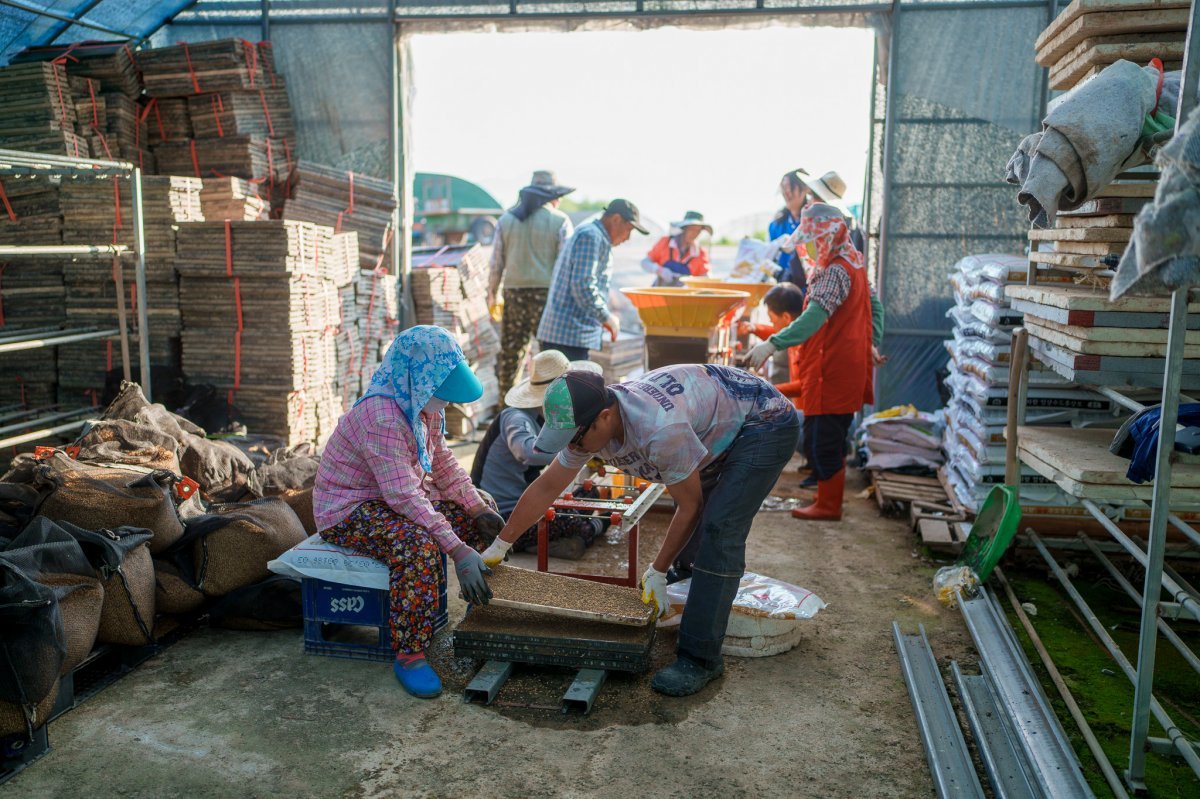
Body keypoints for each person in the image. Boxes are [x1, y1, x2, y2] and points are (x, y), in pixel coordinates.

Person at [480, 365, 800, 697]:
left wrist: (657, 570)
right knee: (697, 516)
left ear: (605, 417)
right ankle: (691, 583)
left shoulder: (660, 431)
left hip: (764, 422)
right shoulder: (591, 425)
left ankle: (700, 658)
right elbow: (547, 486)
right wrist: (501, 544)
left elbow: (690, 508)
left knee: (719, 528)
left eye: (575, 436)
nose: (573, 446)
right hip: (714, 425)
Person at [313, 326, 503, 699]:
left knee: (473, 517)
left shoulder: (421, 407)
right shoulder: (381, 416)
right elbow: (405, 497)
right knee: (419, 544)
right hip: (350, 507)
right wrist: (457, 549)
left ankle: (486, 616)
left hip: (390, 498)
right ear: (418, 376)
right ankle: (410, 653)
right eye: (442, 392)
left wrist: (477, 507)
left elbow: (443, 463)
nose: (445, 403)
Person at [744, 204, 881, 522]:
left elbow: (814, 318)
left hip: (833, 367)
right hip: (838, 364)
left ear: (828, 237)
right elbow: (874, 306)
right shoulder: (853, 262)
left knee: (826, 441)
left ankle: (829, 506)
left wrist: (772, 343)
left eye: (811, 241)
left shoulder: (835, 271)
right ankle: (825, 499)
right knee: (825, 436)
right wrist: (872, 342)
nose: (807, 247)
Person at [470, 351, 606, 560]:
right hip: (502, 515)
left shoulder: (540, 417)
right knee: (575, 522)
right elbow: (526, 452)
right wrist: (576, 451)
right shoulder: (515, 416)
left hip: (524, 500)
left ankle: (556, 540)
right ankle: (592, 528)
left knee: (591, 494)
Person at [489, 170, 576, 399]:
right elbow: (566, 266)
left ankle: (506, 408)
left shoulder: (506, 220)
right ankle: (551, 408)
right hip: (547, 297)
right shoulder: (560, 221)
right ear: (553, 197)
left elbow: (496, 263)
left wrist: (492, 294)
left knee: (511, 353)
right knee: (550, 356)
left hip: (513, 294)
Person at [536, 198, 648, 362]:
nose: (628, 238)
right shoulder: (591, 236)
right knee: (565, 386)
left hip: (570, 336)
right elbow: (583, 286)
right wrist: (606, 317)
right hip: (566, 338)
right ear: (616, 219)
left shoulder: (594, 236)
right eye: (629, 229)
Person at [640, 210, 712, 287]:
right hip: (660, 291)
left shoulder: (700, 253)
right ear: (684, 228)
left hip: (683, 296)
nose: (695, 234)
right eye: (692, 229)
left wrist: (692, 280)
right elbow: (645, 262)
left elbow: (706, 277)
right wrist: (660, 270)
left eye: (698, 231)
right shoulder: (666, 242)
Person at [801, 170, 866, 253]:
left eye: (811, 195)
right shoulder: (848, 230)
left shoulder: (849, 234)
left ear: (820, 202)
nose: (808, 202)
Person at [768, 168, 811, 289]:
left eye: (790, 187)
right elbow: (768, 258)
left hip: (807, 291)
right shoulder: (776, 225)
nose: (786, 192)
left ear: (805, 189)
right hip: (782, 291)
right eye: (783, 187)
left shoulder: (813, 224)